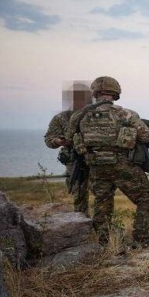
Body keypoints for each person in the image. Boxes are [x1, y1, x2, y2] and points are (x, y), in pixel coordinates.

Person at [65, 76, 149, 247]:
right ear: (116, 93)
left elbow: (69, 138)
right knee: (146, 199)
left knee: (102, 202)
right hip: (122, 165)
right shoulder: (124, 113)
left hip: (95, 166)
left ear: (95, 93)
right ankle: (141, 237)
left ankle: (104, 241)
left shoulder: (79, 115)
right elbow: (146, 136)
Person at [44, 81, 92, 215]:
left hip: (97, 159)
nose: (80, 101)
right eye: (76, 97)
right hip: (75, 161)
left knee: (103, 195)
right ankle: (82, 224)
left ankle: (103, 229)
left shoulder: (98, 115)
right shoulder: (61, 118)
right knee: (78, 195)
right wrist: (58, 141)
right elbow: (49, 139)